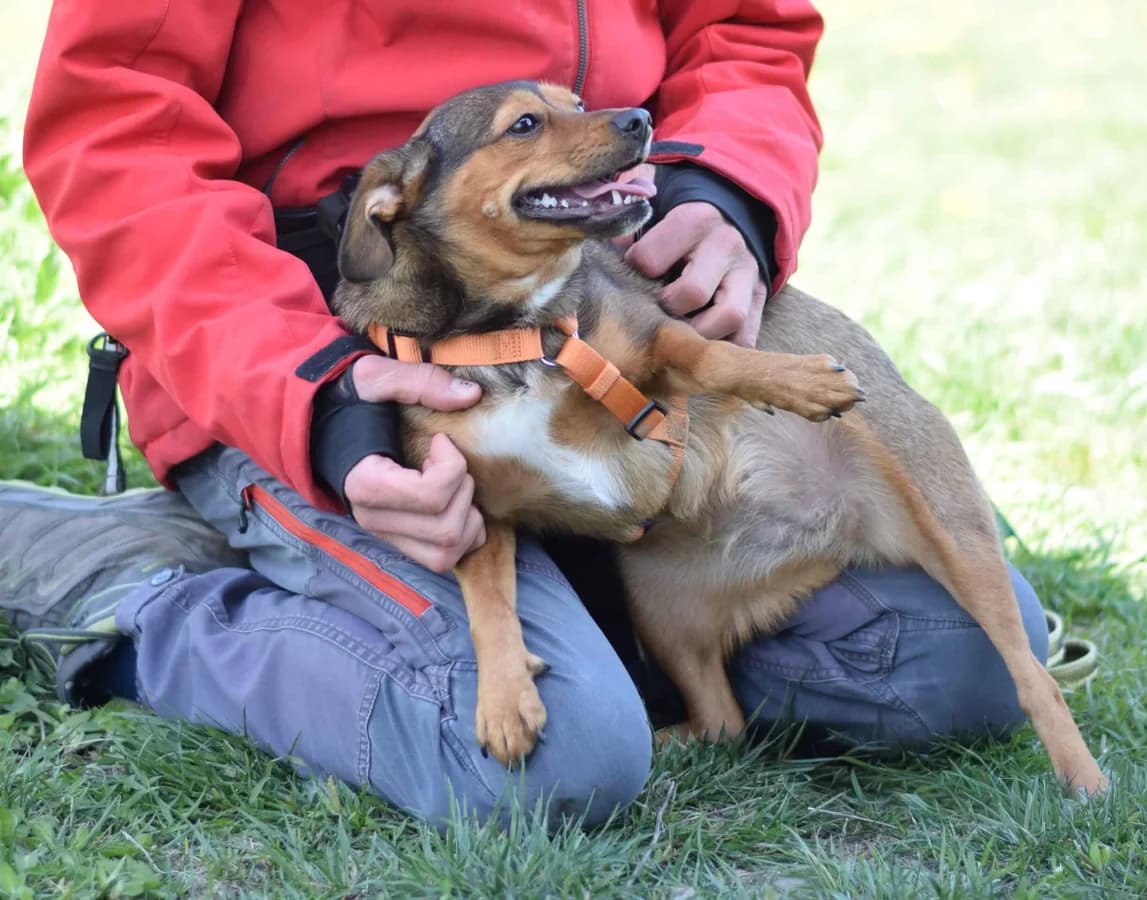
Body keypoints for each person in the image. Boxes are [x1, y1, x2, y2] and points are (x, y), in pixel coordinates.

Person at [3, 2, 1048, 828]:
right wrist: (313, 398)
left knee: (968, 663)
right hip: (316, 344)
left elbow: (742, 27)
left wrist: (726, 190)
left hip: (603, 308)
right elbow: (117, 124)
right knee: (554, 765)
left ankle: (607, 619)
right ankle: (131, 587)